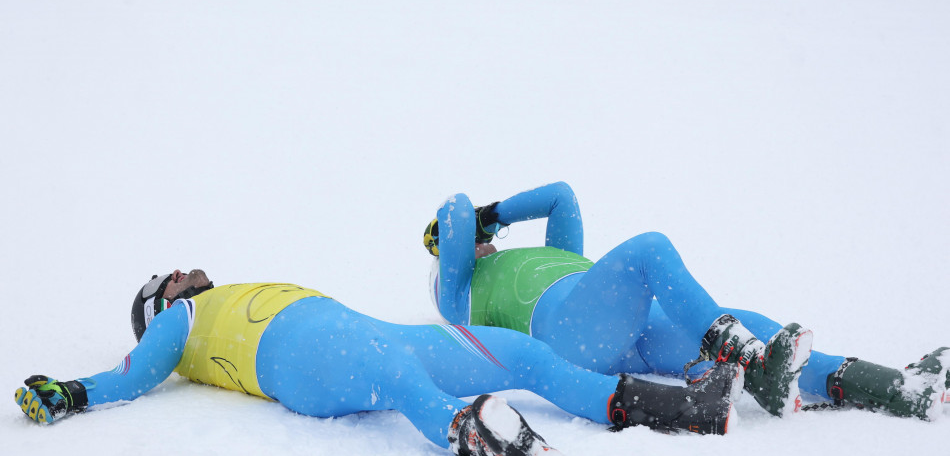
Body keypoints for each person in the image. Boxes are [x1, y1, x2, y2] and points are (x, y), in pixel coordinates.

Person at [15, 269, 743, 456]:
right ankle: (469, 434)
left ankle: (682, 407)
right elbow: (134, 375)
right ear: (157, 308)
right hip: (297, 357)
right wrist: (74, 391)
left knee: (519, 351)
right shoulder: (182, 321)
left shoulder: (216, 293)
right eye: (162, 282)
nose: (176, 274)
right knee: (396, 376)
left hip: (358, 329)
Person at [423, 182, 949, 420]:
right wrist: (482, 217)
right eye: (461, 240)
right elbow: (456, 207)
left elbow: (561, 195)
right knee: (649, 249)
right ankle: (747, 358)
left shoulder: (551, 253)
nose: (479, 237)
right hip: (571, 338)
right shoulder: (461, 295)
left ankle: (898, 388)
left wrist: (501, 215)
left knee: (753, 320)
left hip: (633, 334)